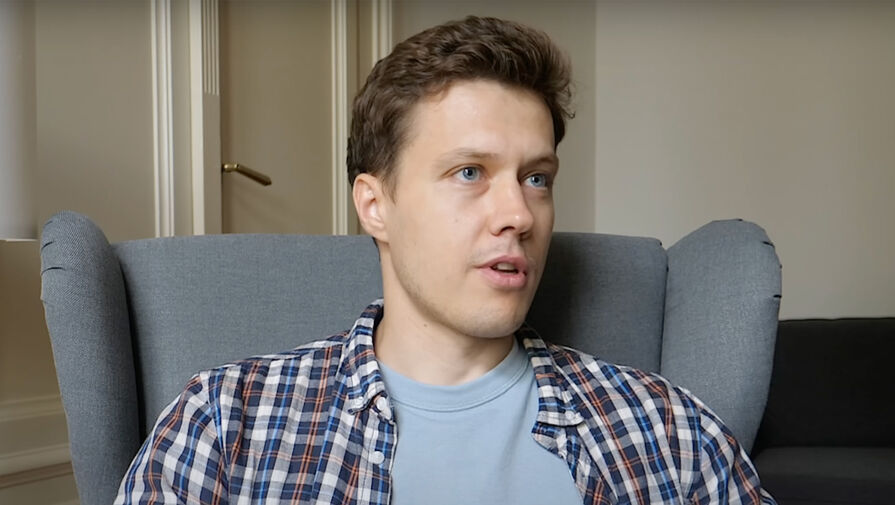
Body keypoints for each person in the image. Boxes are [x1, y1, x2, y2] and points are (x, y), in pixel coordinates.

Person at [115, 16, 775, 505]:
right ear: (375, 205)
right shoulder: (226, 422)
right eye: (469, 172)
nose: (518, 214)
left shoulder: (666, 429)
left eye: (537, 178)